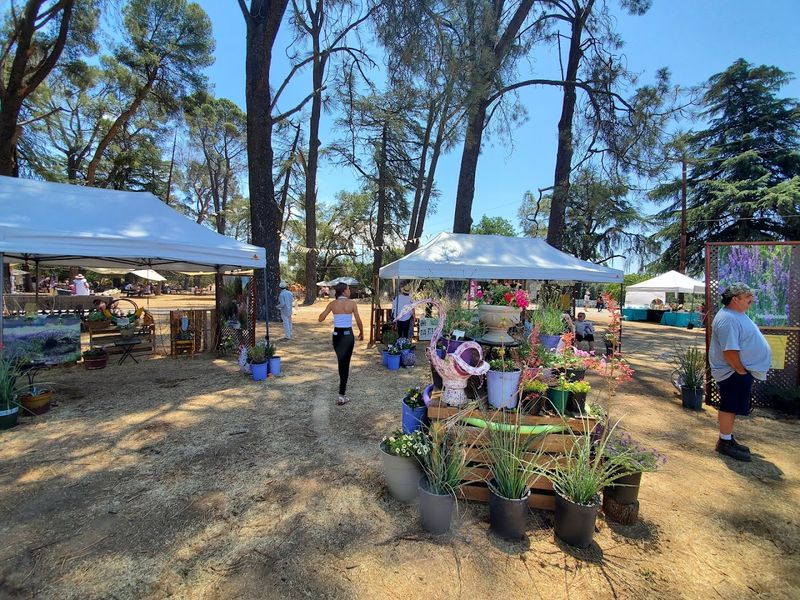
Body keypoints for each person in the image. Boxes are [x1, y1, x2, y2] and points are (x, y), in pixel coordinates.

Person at [709, 283, 772, 462]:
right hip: (732, 372)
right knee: (730, 406)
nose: (751, 300)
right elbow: (729, 350)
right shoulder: (728, 319)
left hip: (737, 372)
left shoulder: (736, 315)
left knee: (733, 406)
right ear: (735, 299)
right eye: (747, 298)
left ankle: (728, 438)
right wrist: (740, 371)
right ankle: (724, 442)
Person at [319, 282, 364, 405]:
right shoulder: (352, 304)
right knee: (346, 363)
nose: (350, 291)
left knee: (341, 362)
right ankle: (341, 394)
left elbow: (320, 318)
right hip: (348, 335)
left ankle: (341, 393)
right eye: (348, 289)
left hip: (337, 336)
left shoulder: (332, 304)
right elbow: (359, 321)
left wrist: (328, 311)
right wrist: (361, 332)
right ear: (344, 291)